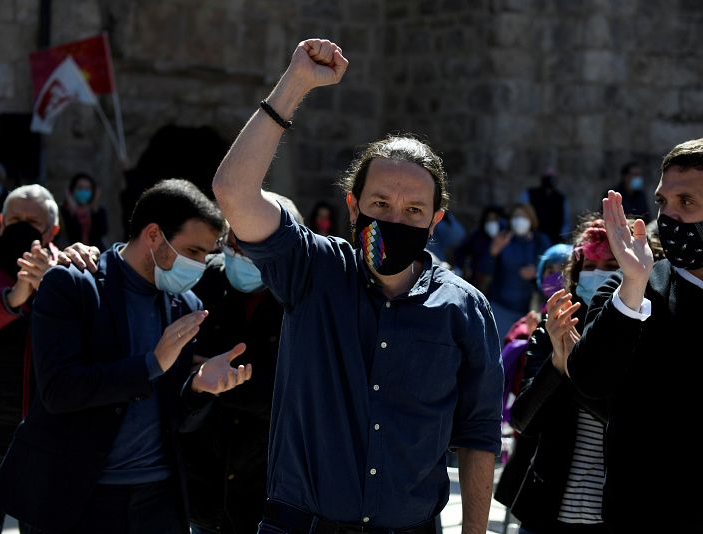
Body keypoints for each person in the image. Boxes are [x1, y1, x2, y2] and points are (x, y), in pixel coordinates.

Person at [212, 38, 503, 532]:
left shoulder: (464, 309)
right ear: (353, 207)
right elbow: (233, 192)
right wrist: (296, 84)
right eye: (379, 205)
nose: (395, 219)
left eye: (413, 211)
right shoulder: (313, 270)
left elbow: (478, 435)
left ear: (436, 221)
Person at [0, 179, 253, 534]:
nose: (202, 264)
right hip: (79, 497)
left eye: (206, 253)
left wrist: (199, 389)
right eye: (193, 252)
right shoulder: (74, 285)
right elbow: (59, 390)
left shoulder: (186, 305)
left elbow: (174, 414)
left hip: (157, 501)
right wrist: (151, 363)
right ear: (154, 235)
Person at [560, 138, 703, 533]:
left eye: (687, 203)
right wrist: (632, 284)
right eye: (664, 202)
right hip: (644, 515)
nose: (670, 217)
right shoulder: (628, 288)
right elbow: (591, 380)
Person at [502, 217, 662, 534]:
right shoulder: (556, 329)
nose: (598, 273)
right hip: (546, 512)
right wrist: (557, 365)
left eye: (612, 263)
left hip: (618, 514)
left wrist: (576, 369)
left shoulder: (651, 330)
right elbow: (523, 420)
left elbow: (634, 425)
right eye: (589, 264)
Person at [0, 184, 101, 534]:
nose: (22, 225)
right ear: (2, 222)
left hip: (47, 440)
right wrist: (13, 298)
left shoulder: (74, 269)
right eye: (15, 218)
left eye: (32, 221)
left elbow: (93, 335)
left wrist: (52, 282)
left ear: (52, 229)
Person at [183, 194, 302, 534]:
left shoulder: (303, 298)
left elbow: (292, 395)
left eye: (252, 243)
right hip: (203, 487)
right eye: (232, 241)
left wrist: (223, 382)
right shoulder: (203, 280)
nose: (238, 252)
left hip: (270, 491)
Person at [488, 203, 551, 340]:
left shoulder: (540, 241)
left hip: (527, 310)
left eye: (523, 216)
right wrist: (492, 252)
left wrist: (536, 270)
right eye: (516, 216)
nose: (519, 220)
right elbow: (485, 269)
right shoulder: (503, 238)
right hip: (500, 305)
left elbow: (552, 267)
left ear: (531, 219)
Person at [454, 204, 505, 294]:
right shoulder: (476, 236)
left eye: (495, 219)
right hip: (477, 283)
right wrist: (461, 267)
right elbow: (461, 252)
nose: (492, 223)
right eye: (489, 219)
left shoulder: (507, 239)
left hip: (501, 288)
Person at [60, 172, 109, 251]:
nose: (83, 191)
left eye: (87, 188)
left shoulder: (98, 211)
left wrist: (94, 208)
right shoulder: (63, 211)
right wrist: (73, 212)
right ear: (72, 190)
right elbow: (70, 234)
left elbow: (101, 233)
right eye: (80, 188)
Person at [520, 169, 570, 244]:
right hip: (532, 237)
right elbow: (521, 211)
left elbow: (566, 220)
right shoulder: (530, 194)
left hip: (553, 239)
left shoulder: (561, 199)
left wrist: (563, 237)